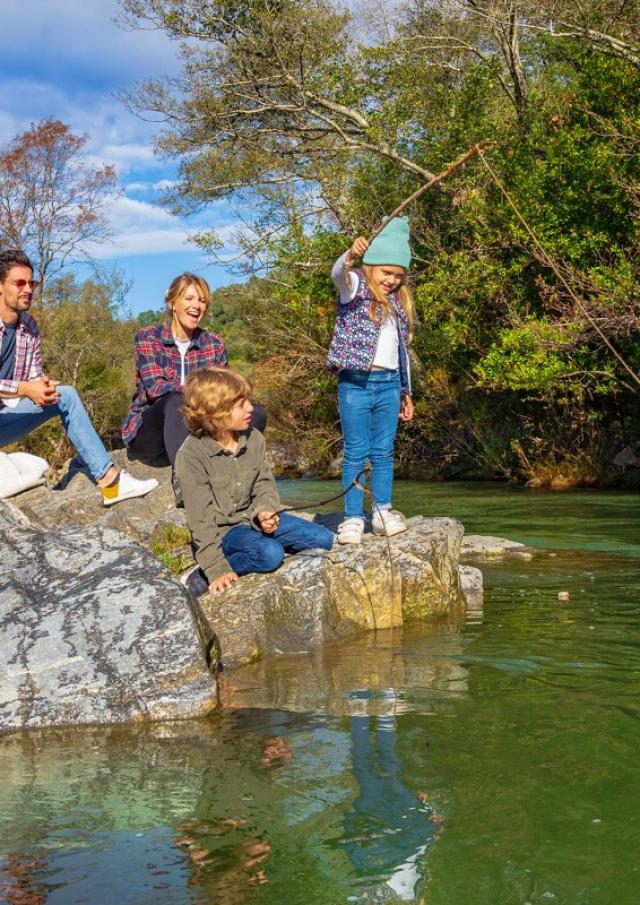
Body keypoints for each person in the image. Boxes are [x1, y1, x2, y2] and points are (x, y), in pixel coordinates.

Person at [0, 249, 157, 505]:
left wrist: (44, 387)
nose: (28, 289)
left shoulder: (29, 327)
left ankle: (110, 481)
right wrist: (24, 388)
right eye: (19, 282)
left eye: (32, 283)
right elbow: (24, 387)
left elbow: (33, 378)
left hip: (5, 417)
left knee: (65, 396)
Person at [174, 367, 334, 595]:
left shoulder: (254, 438)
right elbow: (201, 521)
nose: (251, 408)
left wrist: (265, 510)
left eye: (248, 401)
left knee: (323, 539)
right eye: (241, 405)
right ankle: (201, 574)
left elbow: (264, 484)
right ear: (216, 413)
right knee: (270, 554)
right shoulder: (191, 455)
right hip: (226, 533)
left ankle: (257, 547)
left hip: (254, 521)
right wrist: (215, 568)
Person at [327, 217, 415, 545]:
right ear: (370, 267)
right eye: (385, 273)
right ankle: (352, 517)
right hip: (355, 383)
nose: (391, 280)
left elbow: (401, 353)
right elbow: (338, 272)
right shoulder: (355, 289)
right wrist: (350, 254)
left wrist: (406, 392)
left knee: (383, 451)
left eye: (397, 276)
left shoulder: (398, 305)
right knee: (355, 451)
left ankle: (381, 510)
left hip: (390, 384)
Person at [122, 272, 266, 465]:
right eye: (188, 298)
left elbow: (227, 393)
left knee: (256, 412)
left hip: (200, 427)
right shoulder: (149, 337)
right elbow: (156, 389)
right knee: (174, 401)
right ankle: (185, 484)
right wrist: (204, 395)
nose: (196, 306)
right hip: (152, 436)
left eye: (202, 301)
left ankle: (233, 469)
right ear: (172, 303)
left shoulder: (213, 343)